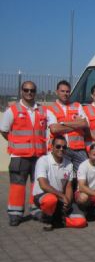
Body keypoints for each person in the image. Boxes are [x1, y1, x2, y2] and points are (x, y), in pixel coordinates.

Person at [1, 81, 57, 226]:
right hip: (19, 156)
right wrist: (16, 143)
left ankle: (36, 209)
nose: (29, 93)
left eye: (32, 90)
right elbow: (4, 130)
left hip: (38, 155)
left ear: (35, 92)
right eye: (26, 90)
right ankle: (15, 214)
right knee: (17, 186)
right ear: (21, 91)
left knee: (36, 184)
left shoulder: (43, 111)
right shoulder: (12, 110)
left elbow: (53, 126)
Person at [32, 135, 80, 231]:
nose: (61, 149)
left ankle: (58, 220)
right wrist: (62, 197)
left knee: (81, 222)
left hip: (60, 199)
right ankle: (47, 219)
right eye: (58, 146)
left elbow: (69, 187)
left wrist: (68, 202)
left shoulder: (69, 164)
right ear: (52, 147)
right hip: (43, 196)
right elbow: (43, 185)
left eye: (64, 147)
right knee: (51, 200)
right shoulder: (43, 161)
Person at [48, 80, 89, 170]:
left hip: (79, 149)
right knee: (63, 177)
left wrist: (63, 124)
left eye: (67, 91)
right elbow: (54, 129)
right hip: (61, 149)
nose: (65, 94)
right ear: (57, 92)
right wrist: (76, 125)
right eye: (62, 91)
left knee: (84, 174)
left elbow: (85, 123)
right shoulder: (51, 108)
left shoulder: (77, 106)